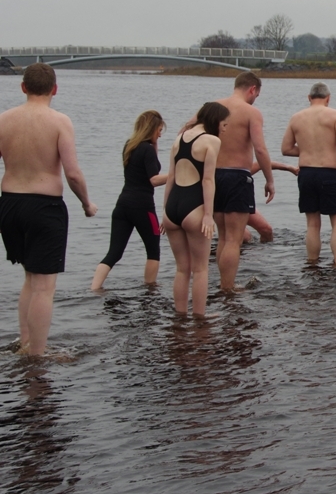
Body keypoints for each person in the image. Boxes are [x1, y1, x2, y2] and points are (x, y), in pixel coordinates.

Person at [0, 63, 98, 356]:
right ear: (55, 89)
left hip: (9, 203)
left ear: (23, 87)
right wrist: (86, 203)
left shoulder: (4, 119)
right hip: (44, 207)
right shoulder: (59, 121)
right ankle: (37, 356)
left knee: (30, 278)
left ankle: (26, 342)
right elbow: (73, 174)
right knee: (44, 287)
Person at [208, 72, 275, 291]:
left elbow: (188, 129)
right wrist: (269, 180)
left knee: (223, 234)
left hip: (213, 176)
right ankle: (228, 287)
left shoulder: (212, 107)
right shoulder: (250, 112)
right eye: (257, 94)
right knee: (233, 240)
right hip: (237, 177)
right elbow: (260, 149)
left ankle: (221, 284)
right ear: (252, 89)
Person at [281, 82, 336, 266]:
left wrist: (307, 149)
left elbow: (285, 148)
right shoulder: (334, 115)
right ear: (328, 98)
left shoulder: (296, 117)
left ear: (309, 98)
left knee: (312, 224)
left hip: (306, 173)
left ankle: (312, 264)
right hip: (328, 173)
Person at [162, 102, 227, 316]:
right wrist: (208, 215)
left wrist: (164, 211)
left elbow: (171, 177)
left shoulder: (179, 138)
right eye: (224, 124)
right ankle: (200, 317)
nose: (224, 129)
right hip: (194, 207)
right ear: (215, 120)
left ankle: (179, 317)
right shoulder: (211, 141)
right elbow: (208, 180)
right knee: (200, 269)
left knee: (182, 269)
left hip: (173, 207)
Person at [91, 110, 168, 290]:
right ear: (151, 129)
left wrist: (153, 144)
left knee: (114, 252)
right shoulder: (147, 149)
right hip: (143, 207)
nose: (160, 134)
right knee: (153, 250)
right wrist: (176, 174)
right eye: (159, 130)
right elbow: (154, 180)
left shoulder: (130, 145)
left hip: (122, 205)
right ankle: (150, 289)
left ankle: (94, 288)